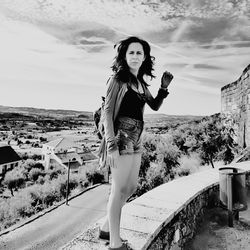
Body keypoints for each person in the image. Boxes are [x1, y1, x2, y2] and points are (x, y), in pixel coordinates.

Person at [98, 36, 173, 250]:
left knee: (130, 187)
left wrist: (163, 89)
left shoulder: (140, 83)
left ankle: (105, 227)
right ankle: (114, 242)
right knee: (118, 188)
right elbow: (108, 111)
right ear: (124, 55)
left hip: (137, 137)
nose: (135, 56)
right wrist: (111, 145)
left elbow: (155, 105)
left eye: (139, 52)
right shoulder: (117, 80)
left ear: (145, 57)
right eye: (131, 52)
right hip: (121, 136)